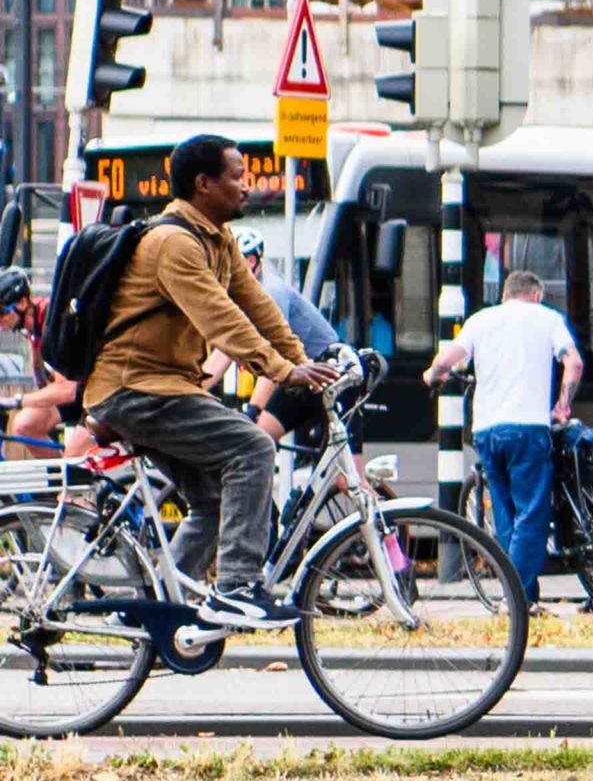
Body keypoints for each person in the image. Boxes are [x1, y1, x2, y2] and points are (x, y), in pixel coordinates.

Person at [86, 134, 336, 629]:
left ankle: (155, 612)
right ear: (204, 184)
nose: (247, 186)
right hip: (137, 389)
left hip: (166, 388)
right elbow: (222, 320)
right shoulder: (173, 244)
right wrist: (283, 371)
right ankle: (237, 588)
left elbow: (259, 308)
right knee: (253, 447)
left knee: (215, 500)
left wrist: (305, 360)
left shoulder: (217, 240)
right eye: (237, 176)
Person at [424, 271, 582, 603]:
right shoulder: (548, 318)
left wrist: (432, 376)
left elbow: (444, 361)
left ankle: (523, 596)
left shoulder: (480, 320)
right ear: (536, 295)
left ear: (505, 295)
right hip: (528, 428)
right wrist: (562, 405)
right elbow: (574, 363)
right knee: (532, 512)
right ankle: (519, 599)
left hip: (486, 431)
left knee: (505, 513)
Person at [230, 227, 347, 445]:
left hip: (330, 371)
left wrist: (253, 410)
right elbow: (222, 351)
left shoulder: (269, 292)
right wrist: (195, 389)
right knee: (256, 441)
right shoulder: (240, 297)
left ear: (251, 261)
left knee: (344, 464)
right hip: (302, 375)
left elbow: (275, 356)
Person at [0, 267, 85, 460]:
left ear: (22, 303)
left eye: (2, 312)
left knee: (74, 456)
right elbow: (40, 372)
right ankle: (58, 475)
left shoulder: (52, 321)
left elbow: (67, 390)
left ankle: (71, 475)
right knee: (24, 426)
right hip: (78, 395)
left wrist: (15, 401)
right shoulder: (33, 326)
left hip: (96, 394)